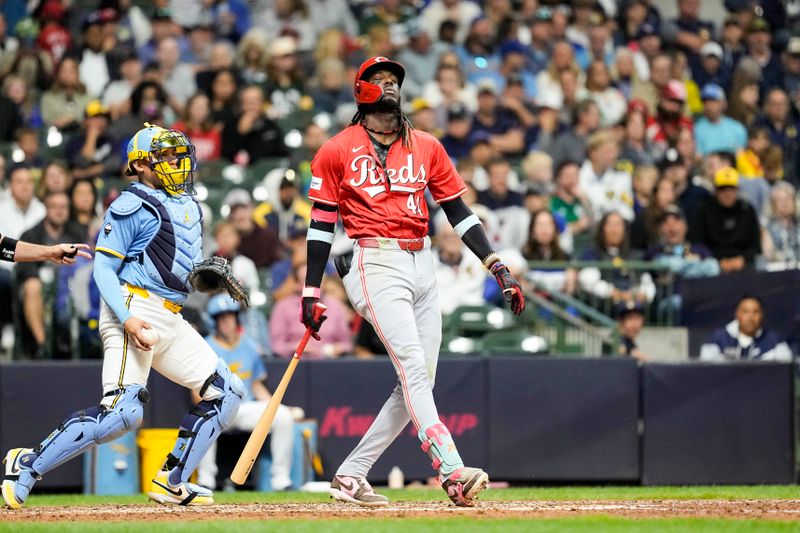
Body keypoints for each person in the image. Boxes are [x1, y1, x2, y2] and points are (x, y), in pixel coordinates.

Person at [302, 57, 524, 507]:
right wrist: (311, 289)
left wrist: (495, 264)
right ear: (361, 90)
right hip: (374, 260)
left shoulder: (426, 145)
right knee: (413, 370)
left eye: (394, 80)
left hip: (424, 261)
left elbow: (457, 211)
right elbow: (321, 225)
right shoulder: (336, 149)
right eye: (379, 79)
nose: (389, 85)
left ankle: (351, 473)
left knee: (419, 378)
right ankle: (451, 469)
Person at [1, 125, 245, 509]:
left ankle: (172, 480)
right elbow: (102, 270)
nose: (175, 162)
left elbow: (172, 265)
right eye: (164, 156)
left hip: (170, 316)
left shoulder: (190, 204)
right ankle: (27, 464)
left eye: (176, 154)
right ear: (141, 165)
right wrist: (128, 319)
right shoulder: (133, 203)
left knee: (227, 392)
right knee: (124, 414)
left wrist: (204, 278)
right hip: (132, 308)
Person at [196, 294, 295, 491]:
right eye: (221, 317)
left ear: (237, 318)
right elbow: (195, 391)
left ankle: (281, 480)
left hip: (245, 407)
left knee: (283, 416)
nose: (227, 322)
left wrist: (273, 407)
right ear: (214, 321)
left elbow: (256, 385)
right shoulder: (205, 347)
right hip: (218, 406)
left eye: (230, 316)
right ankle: (205, 481)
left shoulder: (249, 346)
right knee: (204, 421)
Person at [689, 167, 760, 273]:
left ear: (737, 189)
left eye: (731, 189)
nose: (727, 194)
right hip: (712, 263)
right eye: (722, 189)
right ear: (715, 190)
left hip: (743, 262)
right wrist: (717, 261)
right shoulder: (704, 210)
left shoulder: (747, 209)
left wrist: (742, 259)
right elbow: (697, 242)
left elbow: (755, 245)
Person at [700, 295, 792, 361]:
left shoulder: (775, 341)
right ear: (737, 314)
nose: (750, 318)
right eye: (746, 312)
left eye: (755, 312)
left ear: (762, 315)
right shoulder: (717, 339)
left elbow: (786, 373)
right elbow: (705, 372)